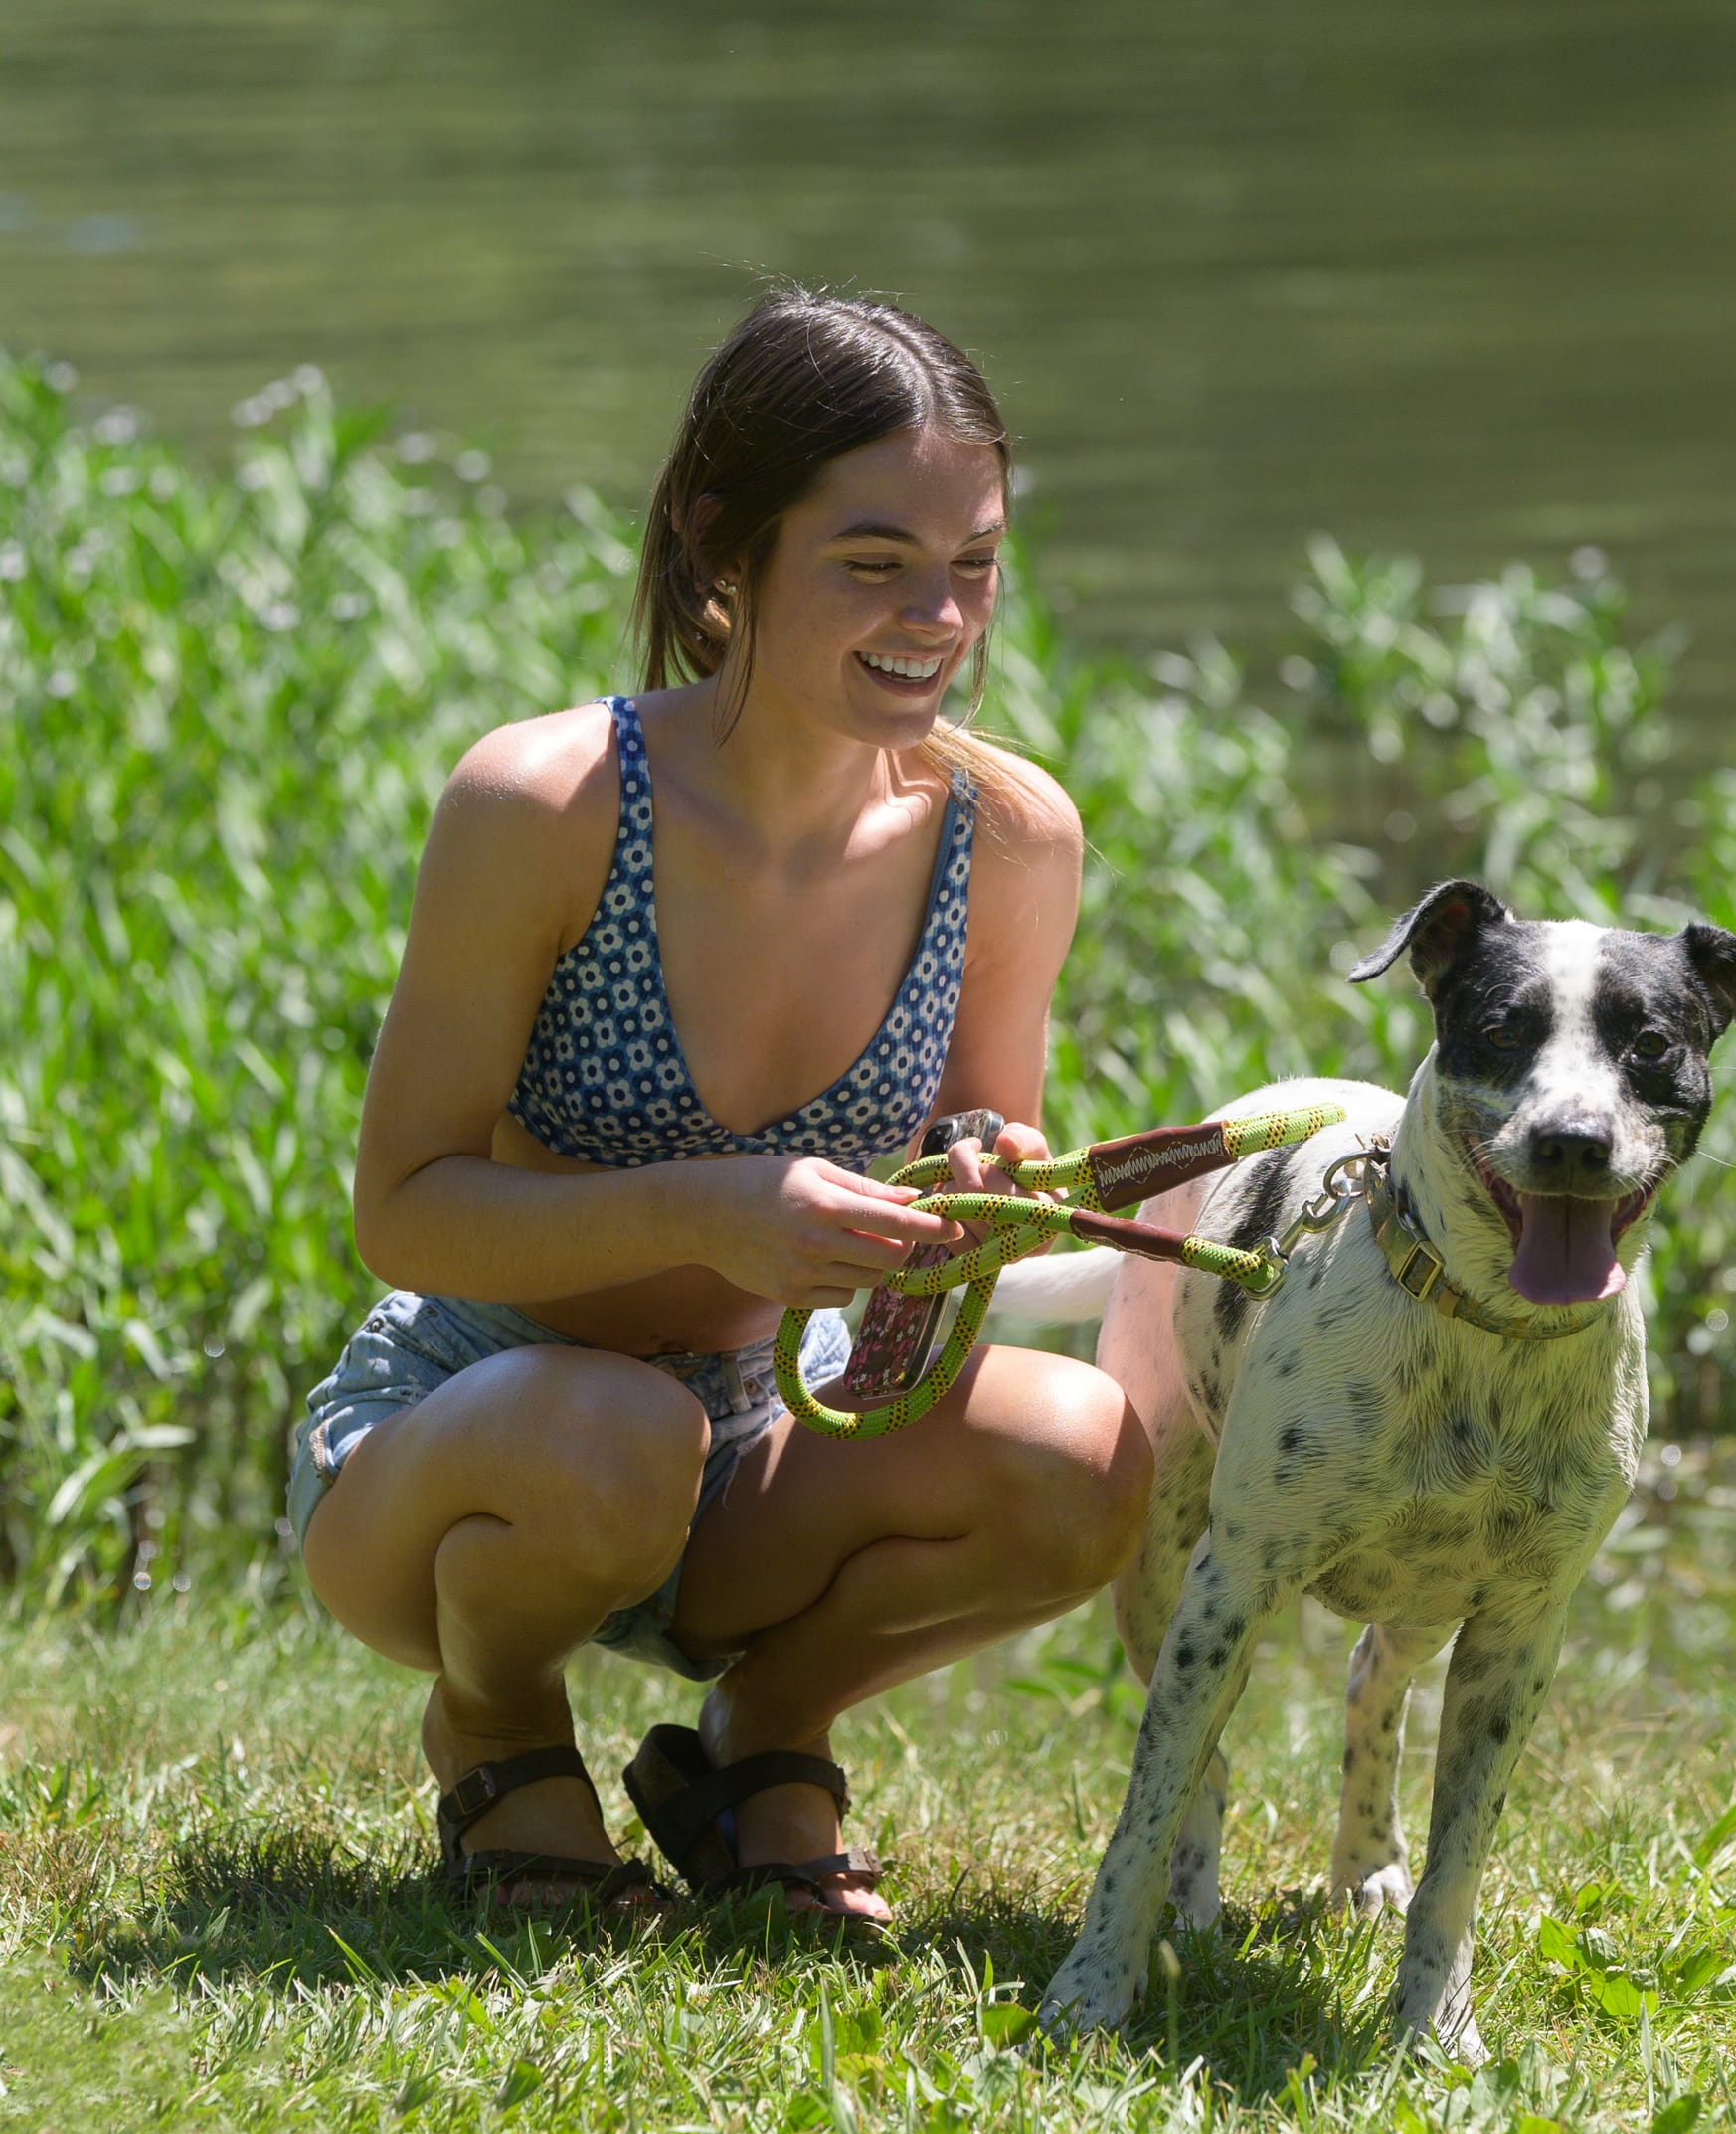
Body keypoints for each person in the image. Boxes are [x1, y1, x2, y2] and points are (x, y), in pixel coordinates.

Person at [285, 287, 1152, 1921]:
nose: (939, 617)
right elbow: (401, 1205)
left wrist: (983, 1189)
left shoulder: (1008, 835)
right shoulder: (543, 803)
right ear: (717, 548)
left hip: (773, 1429)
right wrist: (711, 1205)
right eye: (873, 561)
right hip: (473, 1430)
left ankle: (770, 1725)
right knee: (623, 1426)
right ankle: (493, 1717)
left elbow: (985, 1149)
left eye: (972, 564)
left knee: (1087, 1461)